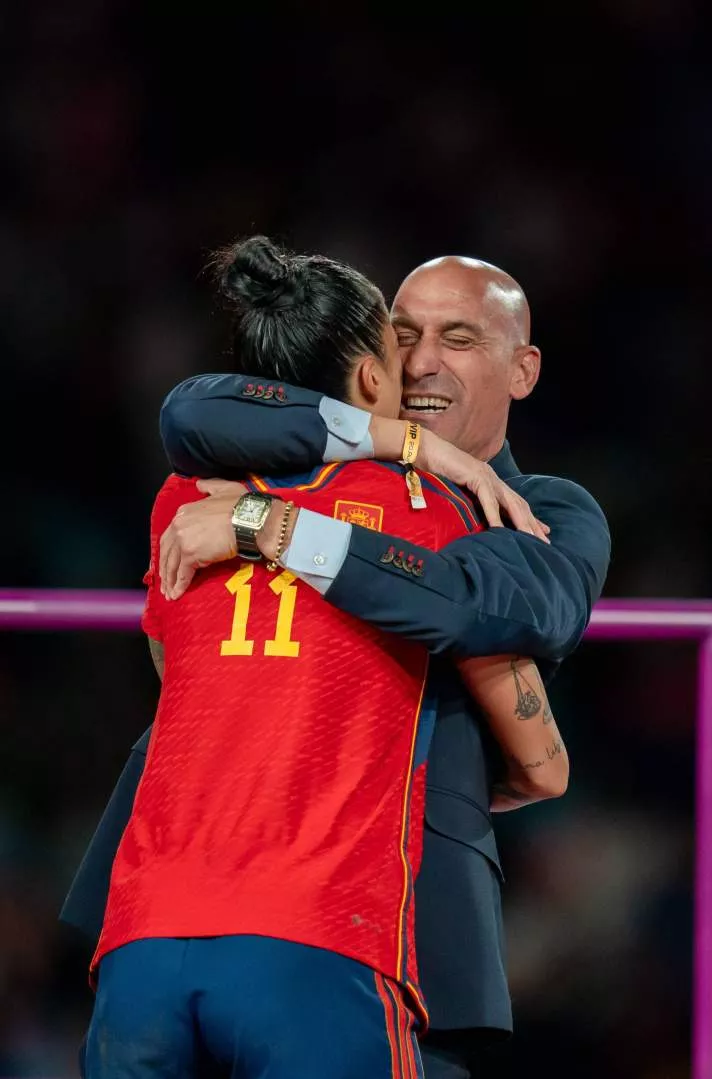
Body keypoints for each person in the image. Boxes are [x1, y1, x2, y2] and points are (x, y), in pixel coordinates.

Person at [63, 254, 609, 1079]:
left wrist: (266, 525)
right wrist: (399, 442)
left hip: (378, 916)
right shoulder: (271, 470)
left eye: (457, 338)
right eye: (403, 336)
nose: (422, 360)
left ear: (522, 368)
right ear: (369, 365)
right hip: (297, 906)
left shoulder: (540, 510)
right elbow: (189, 407)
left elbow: (477, 605)